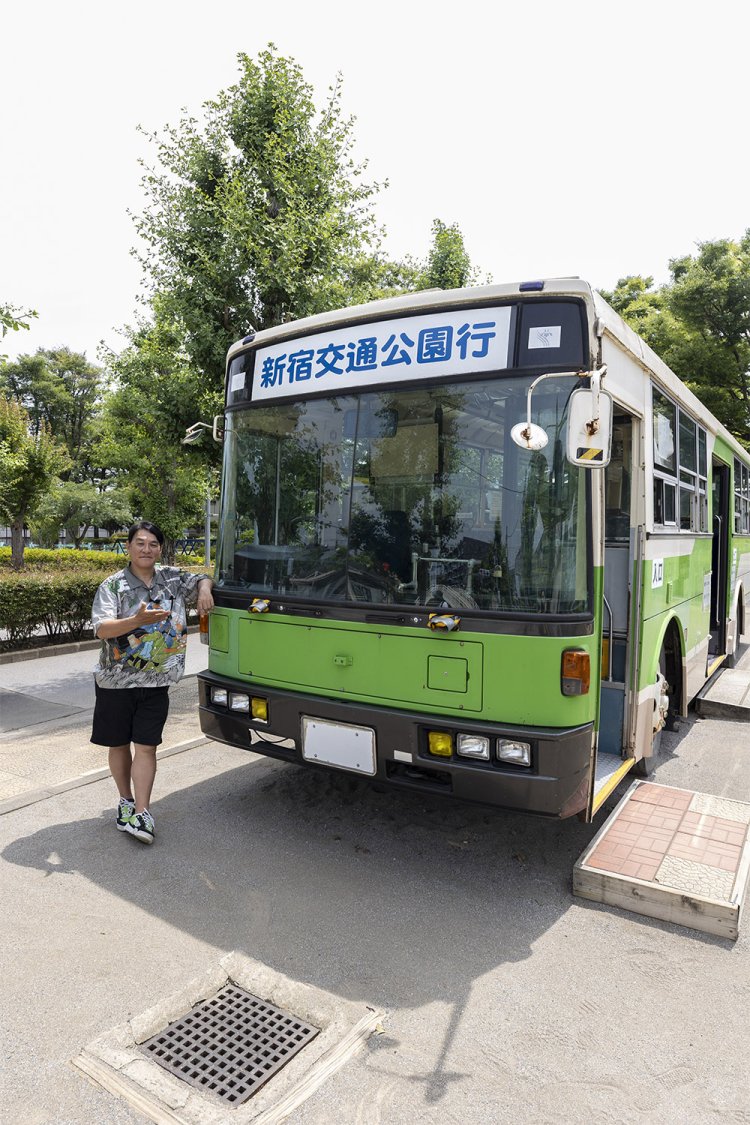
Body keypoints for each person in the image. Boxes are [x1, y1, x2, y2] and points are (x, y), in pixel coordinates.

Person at [90, 520, 214, 844]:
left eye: (153, 544)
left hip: (157, 681)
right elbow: (102, 628)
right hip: (116, 682)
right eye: (140, 543)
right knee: (119, 744)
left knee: (147, 745)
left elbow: (204, 576)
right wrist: (136, 621)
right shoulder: (113, 585)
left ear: (159, 549)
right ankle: (125, 801)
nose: (146, 549)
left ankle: (142, 812)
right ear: (128, 547)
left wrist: (203, 590)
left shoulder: (172, 578)